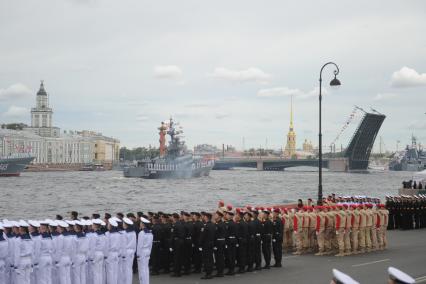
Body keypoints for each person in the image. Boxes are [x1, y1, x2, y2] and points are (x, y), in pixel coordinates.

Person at [137, 217, 153, 284]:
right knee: (146, 268)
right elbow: (150, 245)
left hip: (142, 252)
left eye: (141, 223)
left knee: (142, 269)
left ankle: (143, 282)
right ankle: (146, 282)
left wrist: (138, 254)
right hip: (147, 251)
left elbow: (139, 245)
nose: (140, 224)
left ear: (143, 224)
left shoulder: (141, 233)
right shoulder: (150, 233)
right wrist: (149, 253)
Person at [199, 212, 215, 279]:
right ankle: (210, 273)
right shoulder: (213, 225)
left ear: (206, 217)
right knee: (210, 259)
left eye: (204, 216)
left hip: (206, 245)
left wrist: (199, 244)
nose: (204, 217)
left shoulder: (205, 226)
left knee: (206, 259)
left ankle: (208, 274)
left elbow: (202, 236)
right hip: (211, 244)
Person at [123, 217, 137, 284]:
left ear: (126, 224)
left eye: (123, 223)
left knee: (126, 269)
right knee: (129, 268)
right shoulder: (133, 232)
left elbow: (123, 244)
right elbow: (134, 243)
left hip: (126, 251)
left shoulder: (125, 233)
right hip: (132, 251)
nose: (123, 224)